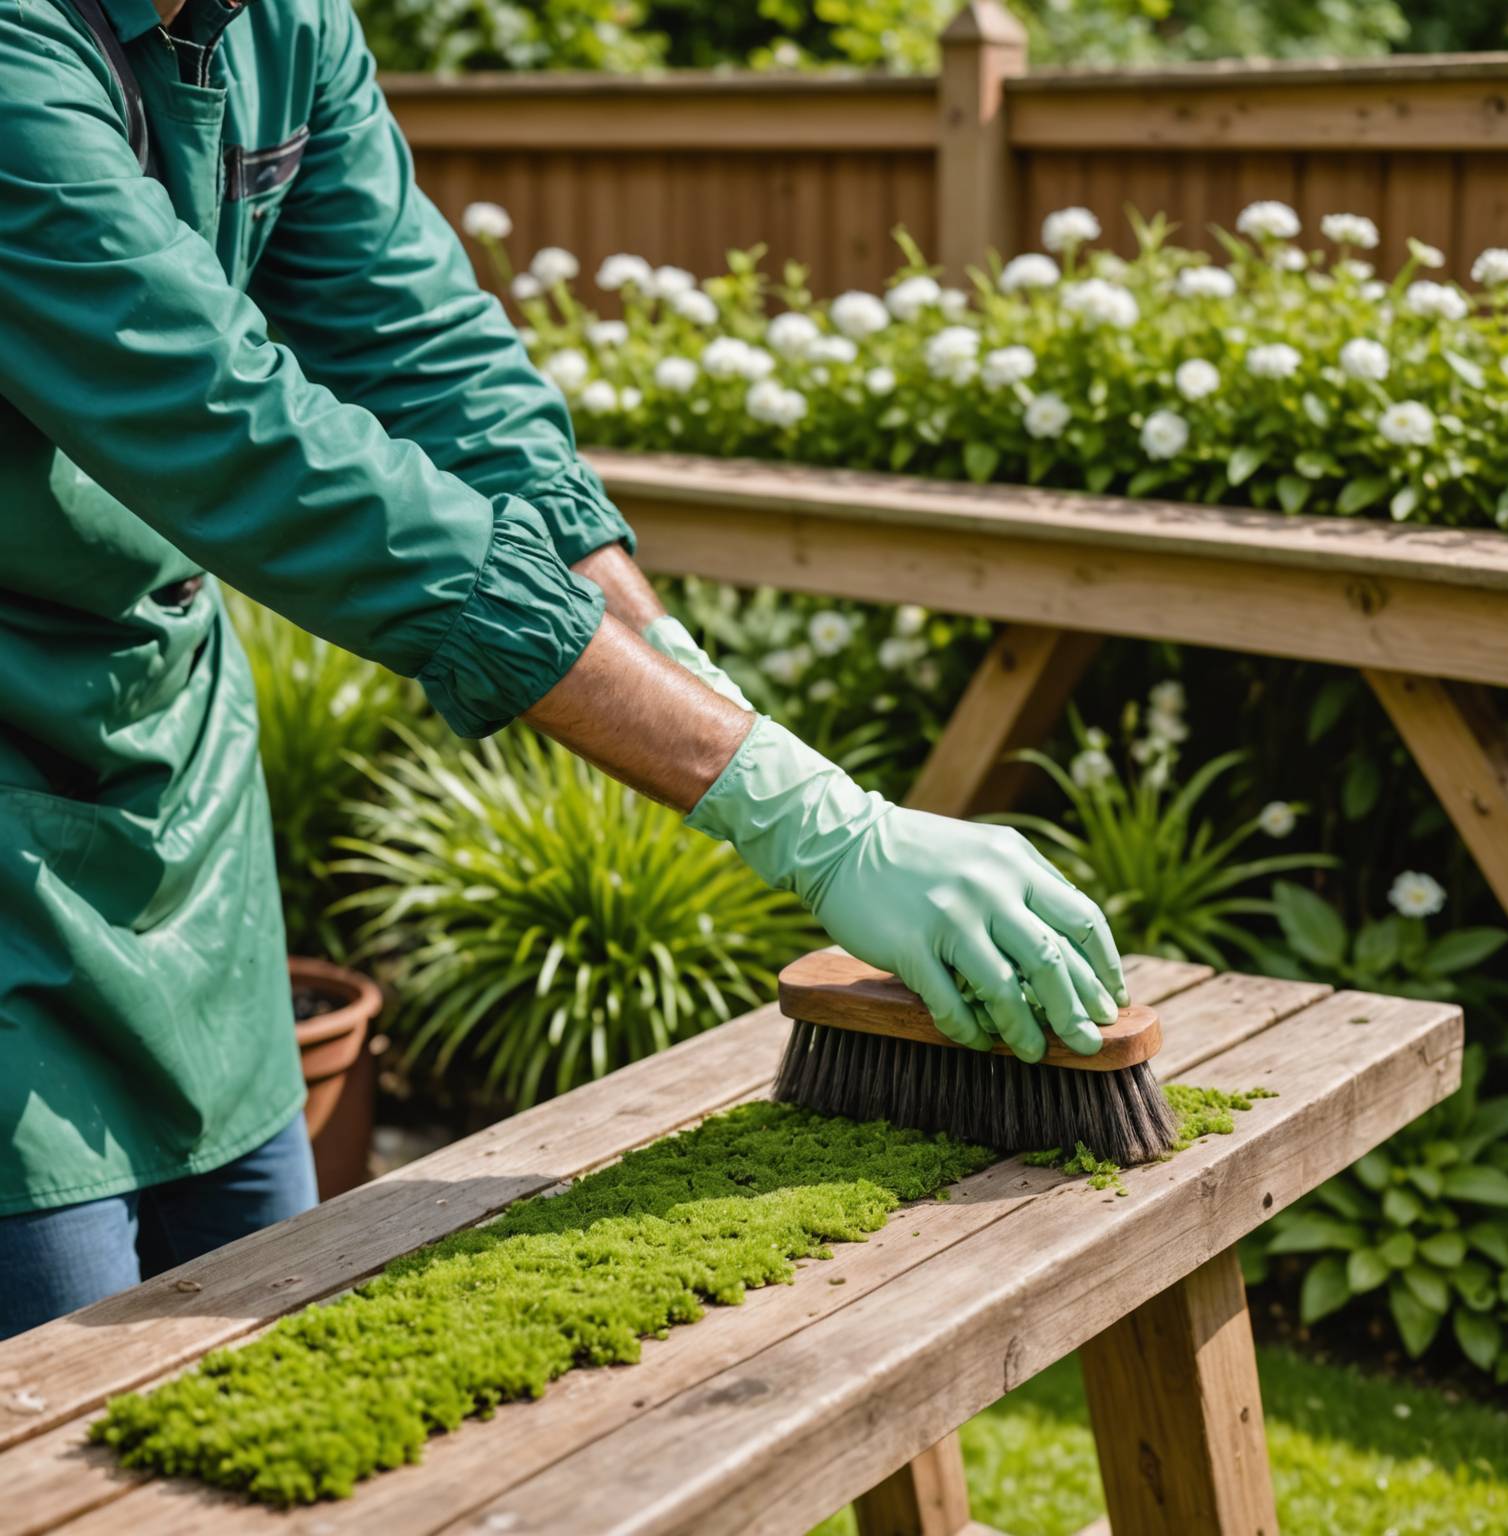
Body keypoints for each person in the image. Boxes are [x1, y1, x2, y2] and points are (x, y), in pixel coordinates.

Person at [0, 0, 1127, 1340]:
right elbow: (255, 442)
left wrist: (705, 697)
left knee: (264, 1341)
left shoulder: (284, 25)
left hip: (167, 781)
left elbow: (442, 373)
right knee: (61, 1411)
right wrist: (804, 824)